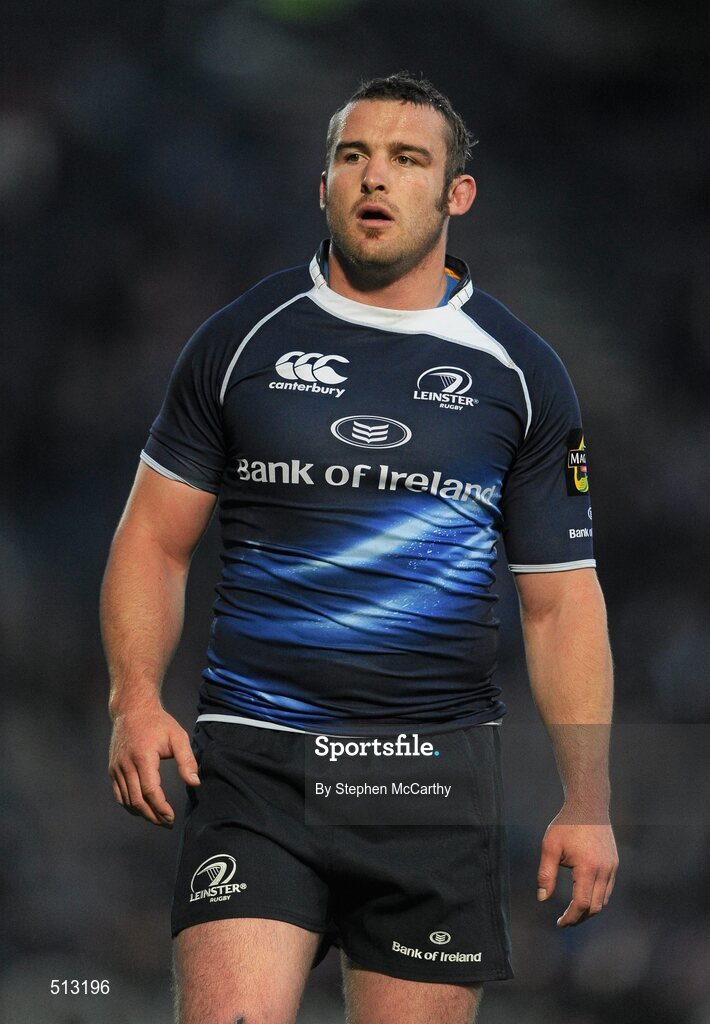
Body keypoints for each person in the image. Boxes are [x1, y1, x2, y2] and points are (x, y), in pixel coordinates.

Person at [101, 72, 618, 1024]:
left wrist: (586, 797)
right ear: (326, 184)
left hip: (428, 782)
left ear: (455, 195)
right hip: (256, 767)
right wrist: (134, 697)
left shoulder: (524, 373)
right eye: (354, 155)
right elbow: (151, 539)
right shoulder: (239, 340)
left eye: (407, 158)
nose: (375, 176)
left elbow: (560, 601)